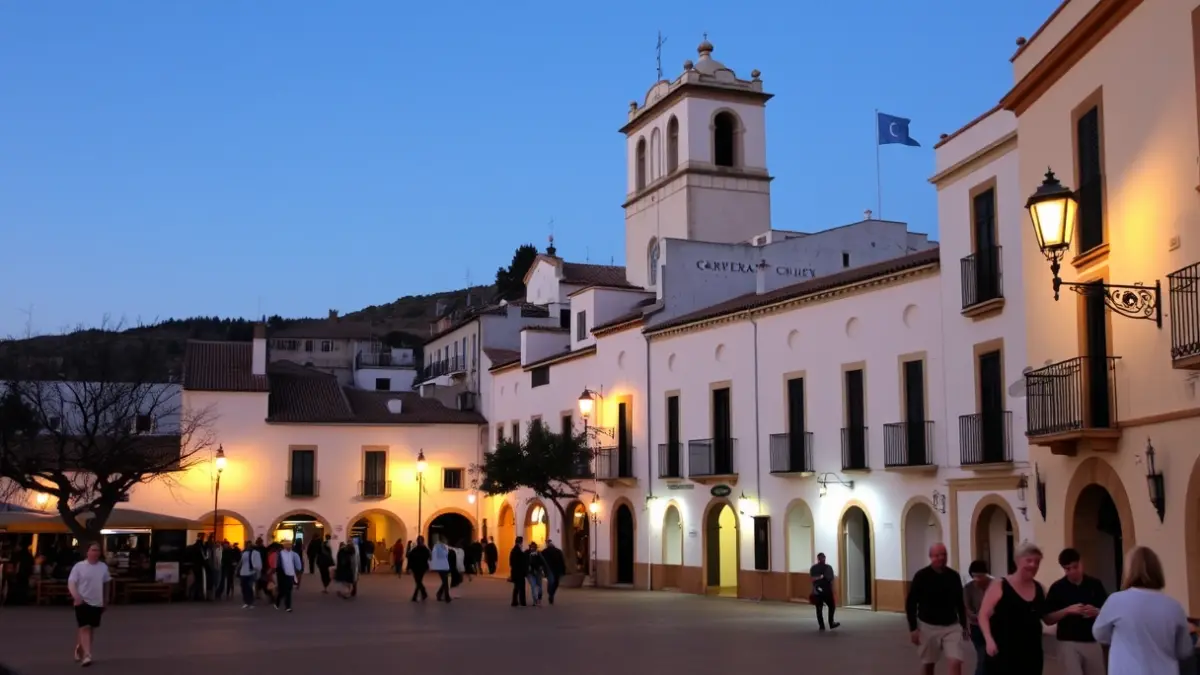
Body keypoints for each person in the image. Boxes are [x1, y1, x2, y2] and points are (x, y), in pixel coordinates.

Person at [1093, 546, 1193, 675]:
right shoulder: (1174, 607)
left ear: (1128, 571)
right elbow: (1184, 650)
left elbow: (1099, 634)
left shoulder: (1116, 601)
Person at [979, 541, 1070, 675]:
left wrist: (1068, 610)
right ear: (1017, 561)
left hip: (1031, 654)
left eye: (1037, 562)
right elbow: (983, 615)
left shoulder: (1039, 589)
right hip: (1003, 652)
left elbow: (1047, 619)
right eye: (1029, 560)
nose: (1033, 565)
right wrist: (989, 640)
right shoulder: (1000, 585)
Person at [905, 543, 968, 675]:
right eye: (937, 555)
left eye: (944, 554)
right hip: (928, 626)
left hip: (951, 626)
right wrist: (913, 628)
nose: (941, 558)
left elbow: (959, 602)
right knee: (928, 664)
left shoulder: (954, 576)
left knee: (955, 661)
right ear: (930, 557)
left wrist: (964, 625)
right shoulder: (921, 576)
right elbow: (911, 603)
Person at [1045, 548, 1108, 675]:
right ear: (1063, 569)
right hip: (1068, 642)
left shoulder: (1095, 584)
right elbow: (1048, 619)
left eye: (1075, 567)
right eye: (1068, 569)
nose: (1073, 571)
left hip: (1092, 641)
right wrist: (1067, 611)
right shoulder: (1057, 588)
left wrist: (1097, 611)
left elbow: (1108, 612)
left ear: (1081, 563)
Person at [67, 542, 111, 667]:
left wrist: (106, 599)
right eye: (93, 550)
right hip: (82, 601)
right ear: (87, 552)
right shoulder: (79, 567)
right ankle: (87, 655)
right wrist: (76, 596)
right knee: (84, 627)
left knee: (90, 628)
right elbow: (71, 582)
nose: (95, 552)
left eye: (97, 550)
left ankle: (80, 648)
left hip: (97, 601)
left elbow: (107, 583)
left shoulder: (103, 567)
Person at [962, 560, 992, 675]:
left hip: (993, 627)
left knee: (993, 659)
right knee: (983, 657)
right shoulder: (968, 589)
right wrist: (981, 616)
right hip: (977, 628)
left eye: (981, 576)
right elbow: (967, 610)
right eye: (975, 576)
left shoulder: (994, 585)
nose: (978, 579)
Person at [810, 552, 839, 630]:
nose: (823, 559)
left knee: (819, 608)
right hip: (826, 590)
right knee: (831, 606)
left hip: (818, 590)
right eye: (823, 557)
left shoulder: (814, 568)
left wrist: (818, 579)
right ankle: (831, 622)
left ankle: (822, 625)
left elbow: (813, 579)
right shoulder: (828, 568)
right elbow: (831, 579)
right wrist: (833, 590)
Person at [274, 540, 301, 612]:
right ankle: (277, 601)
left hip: (291, 574)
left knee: (288, 591)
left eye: (290, 545)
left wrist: (298, 569)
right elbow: (278, 565)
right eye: (288, 546)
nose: (289, 547)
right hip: (282, 574)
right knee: (282, 591)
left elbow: (297, 563)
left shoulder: (293, 554)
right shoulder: (280, 554)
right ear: (284, 546)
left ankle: (288, 606)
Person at [237, 540, 262, 608]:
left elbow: (258, 564)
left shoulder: (256, 553)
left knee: (250, 588)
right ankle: (246, 602)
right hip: (243, 573)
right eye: (247, 545)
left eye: (250, 545)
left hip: (251, 573)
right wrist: (237, 569)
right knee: (244, 588)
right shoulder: (244, 553)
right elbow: (241, 562)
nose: (248, 547)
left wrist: (257, 572)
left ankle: (250, 602)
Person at [543, 539, 567, 605]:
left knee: (552, 582)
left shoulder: (545, 552)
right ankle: (551, 593)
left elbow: (562, 561)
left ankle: (551, 593)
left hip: (551, 569)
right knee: (555, 582)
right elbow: (562, 561)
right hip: (555, 570)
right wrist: (563, 570)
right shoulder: (557, 551)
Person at [407, 536, 431, 602]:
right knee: (418, 581)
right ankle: (424, 593)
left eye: (420, 540)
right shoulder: (415, 549)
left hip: (422, 567)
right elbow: (410, 558)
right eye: (419, 540)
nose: (419, 542)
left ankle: (415, 596)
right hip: (416, 568)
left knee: (418, 581)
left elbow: (429, 557)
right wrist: (408, 567)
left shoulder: (424, 549)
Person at [430, 537, 452, 603]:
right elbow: (444, 555)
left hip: (444, 566)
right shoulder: (440, 547)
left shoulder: (439, 547)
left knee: (445, 581)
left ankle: (439, 594)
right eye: (445, 541)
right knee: (446, 581)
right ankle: (446, 596)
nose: (446, 542)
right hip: (442, 566)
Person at [510, 536, 528, 607]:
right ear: (520, 542)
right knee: (521, 587)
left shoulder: (513, 550)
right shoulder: (518, 551)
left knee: (516, 587)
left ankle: (514, 601)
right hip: (519, 572)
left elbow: (511, 563)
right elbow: (522, 561)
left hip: (515, 572)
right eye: (521, 542)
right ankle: (522, 602)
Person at [527, 542, 547, 607]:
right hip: (531, 573)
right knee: (533, 586)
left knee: (539, 587)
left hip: (538, 573)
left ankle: (539, 599)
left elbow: (544, 562)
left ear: (535, 548)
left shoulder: (539, 554)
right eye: (531, 547)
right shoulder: (528, 554)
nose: (532, 548)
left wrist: (542, 569)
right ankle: (535, 601)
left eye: (533, 547)